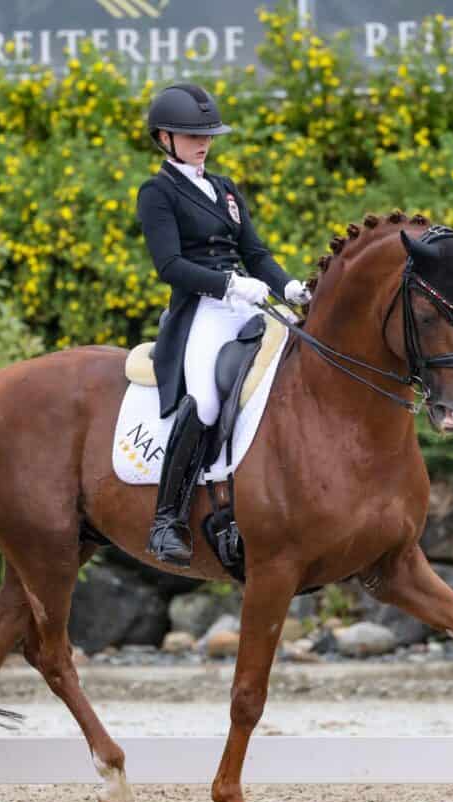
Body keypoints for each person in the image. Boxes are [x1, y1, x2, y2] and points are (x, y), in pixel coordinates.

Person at [136, 82, 310, 567]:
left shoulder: (224, 187)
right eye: (193, 135)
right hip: (203, 311)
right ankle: (166, 519)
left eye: (208, 134)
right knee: (207, 400)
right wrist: (229, 285)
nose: (204, 142)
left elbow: (255, 253)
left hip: (249, 303)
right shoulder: (157, 192)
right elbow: (169, 266)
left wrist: (288, 285)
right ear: (164, 138)